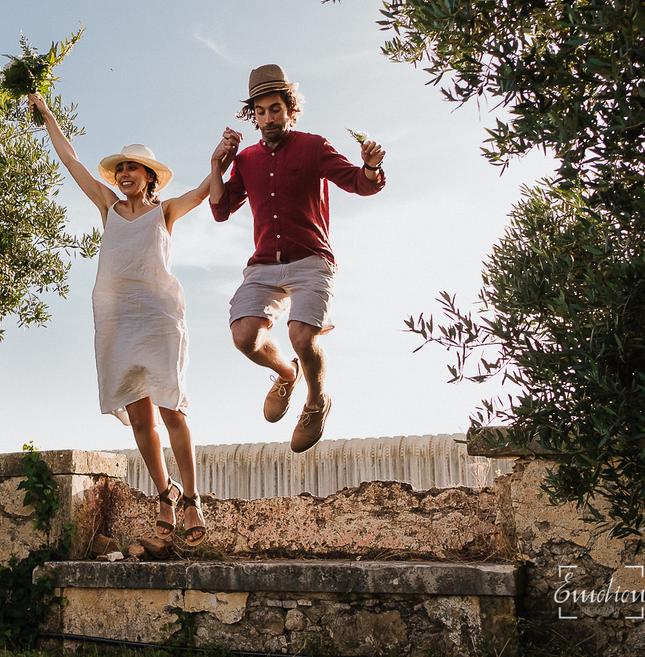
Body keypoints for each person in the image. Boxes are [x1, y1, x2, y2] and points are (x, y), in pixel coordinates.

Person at [29, 91, 210, 545]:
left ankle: (191, 498)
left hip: (159, 319)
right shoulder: (107, 207)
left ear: (150, 177)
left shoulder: (165, 212)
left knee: (172, 411)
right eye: (121, 169)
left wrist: (221, 158)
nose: (125, 174)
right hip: (117, 322)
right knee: (140, 414)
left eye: (133, 168)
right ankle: (163, 494)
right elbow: (72, 162)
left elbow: (206, 190)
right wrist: (47, 112)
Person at [209, 64, 386, 453]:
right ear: (252, 115)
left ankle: (316, 401)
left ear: (291, 109)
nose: (269, 117)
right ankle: (287, 374)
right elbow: (221, 211)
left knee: (302, 333)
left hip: (311, 259)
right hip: (263, 264)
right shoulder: (247, 160)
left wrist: (371, 168)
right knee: (244, 337)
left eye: (276, 109)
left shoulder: (314, 146)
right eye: (261, 111)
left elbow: (358, 182)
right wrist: (216, 169)